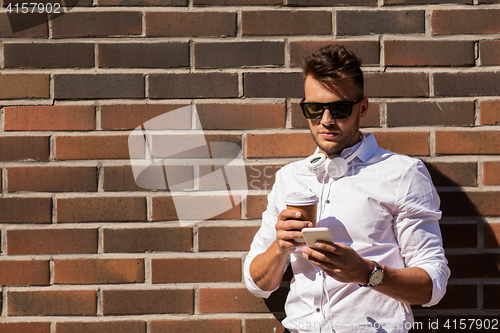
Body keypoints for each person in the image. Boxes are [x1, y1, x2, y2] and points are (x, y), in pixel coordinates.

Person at [243, 45, 450, 333]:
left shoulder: (402, 173)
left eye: (339, 108)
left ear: (362, 107)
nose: (326, 120)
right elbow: (257, 284)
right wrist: (280, 248)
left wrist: (367, 274)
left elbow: (433, 285)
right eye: (314, 109)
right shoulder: (290, 177)